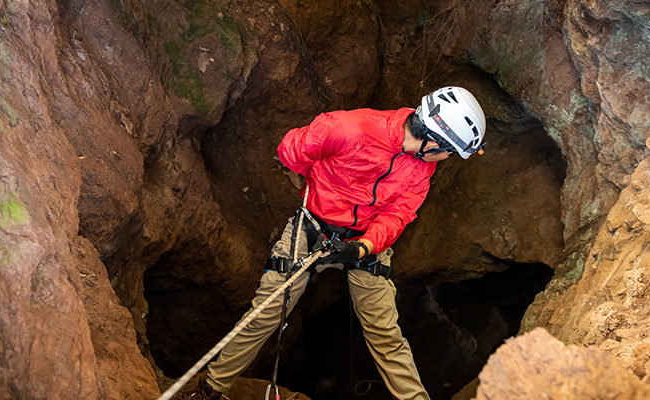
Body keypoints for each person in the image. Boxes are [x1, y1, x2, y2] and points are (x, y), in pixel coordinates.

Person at [197, 86, 486, 400]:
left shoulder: (422, 166)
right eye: (449, 151)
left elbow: (398, 213)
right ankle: (212, 388)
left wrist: (363, 247)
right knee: (267, 311)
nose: (447, 158)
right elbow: (290, 151)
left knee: (385, 334)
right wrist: (321, 185)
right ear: (432, 141)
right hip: (313, 227)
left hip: (365, 241)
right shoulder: (348, 129)